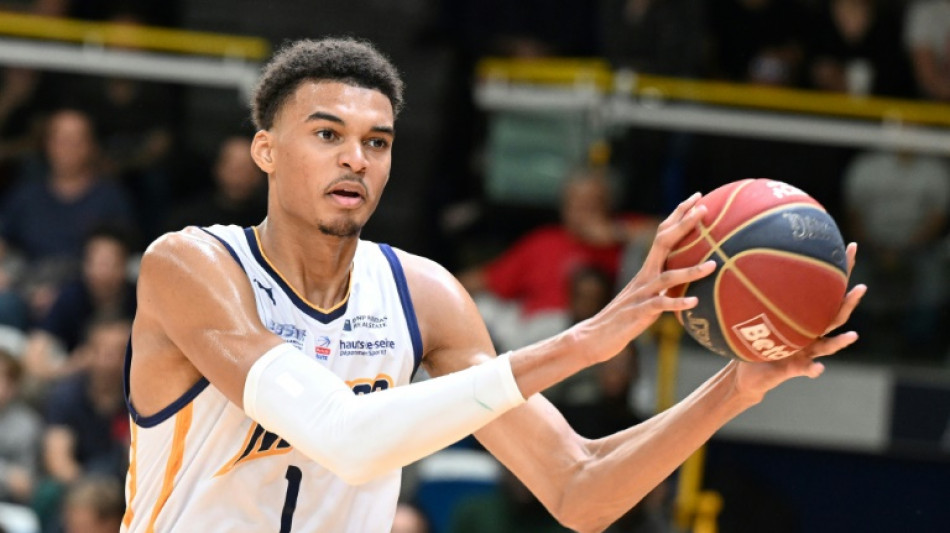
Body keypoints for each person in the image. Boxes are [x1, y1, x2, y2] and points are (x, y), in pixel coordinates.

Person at [121, 37, 865, 533]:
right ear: (265, 150)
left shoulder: (422, 295)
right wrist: (584, 342)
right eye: (327, 135)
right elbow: (345, 437)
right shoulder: (191, 266)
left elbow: (579, 489)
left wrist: (736, 387)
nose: (356, 159)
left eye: (377, 142)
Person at [458, 170, 656, 352]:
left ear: (607, 206)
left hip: (590, 334)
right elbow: (486, 279)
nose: (580, 212)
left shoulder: (622, 238)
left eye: (590, 205)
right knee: (481, 308)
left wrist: (616, 232)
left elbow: (666, 231)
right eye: (574, 204)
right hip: (530, 333)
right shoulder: (544, 241)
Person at [163, 135, 267, 232]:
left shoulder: (269, 222)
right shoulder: (188, 220)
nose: (240, 176)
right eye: (234, 168)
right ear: (217, 169)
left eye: (247, 169)